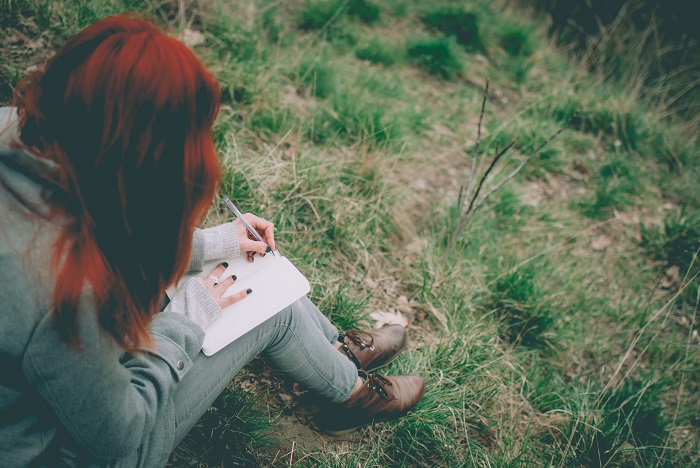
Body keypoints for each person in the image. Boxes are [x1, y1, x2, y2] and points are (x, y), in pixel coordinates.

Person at [0, 15, 425, 467]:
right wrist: (185, 320)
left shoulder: (16, 128)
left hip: (47, 391)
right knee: (267, 309)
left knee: (245, 268)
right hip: (66, 452)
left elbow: (93, 226)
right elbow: (119, 435)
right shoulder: (63, 292)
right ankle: (353, 396)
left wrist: (212, 243)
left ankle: (336, 353)